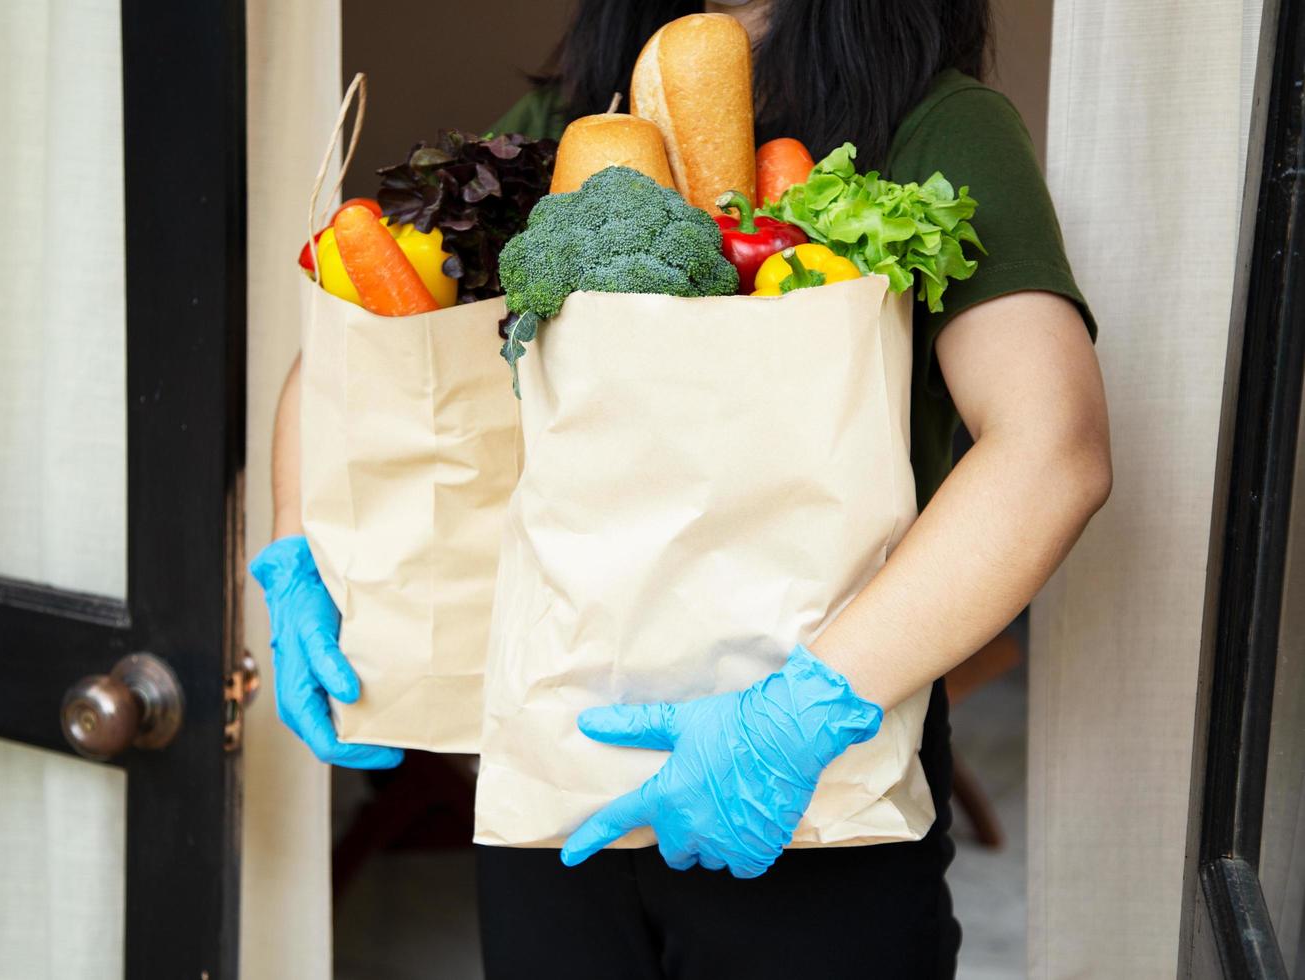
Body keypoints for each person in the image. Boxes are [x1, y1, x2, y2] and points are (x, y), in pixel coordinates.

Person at [250, 0, 1112, 976]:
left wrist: (803, 710)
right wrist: (298, 546)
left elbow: (1053, 449)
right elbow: (366, 352)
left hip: (811, 775)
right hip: (559, 753)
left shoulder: (941, 125)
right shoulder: (573, 119)